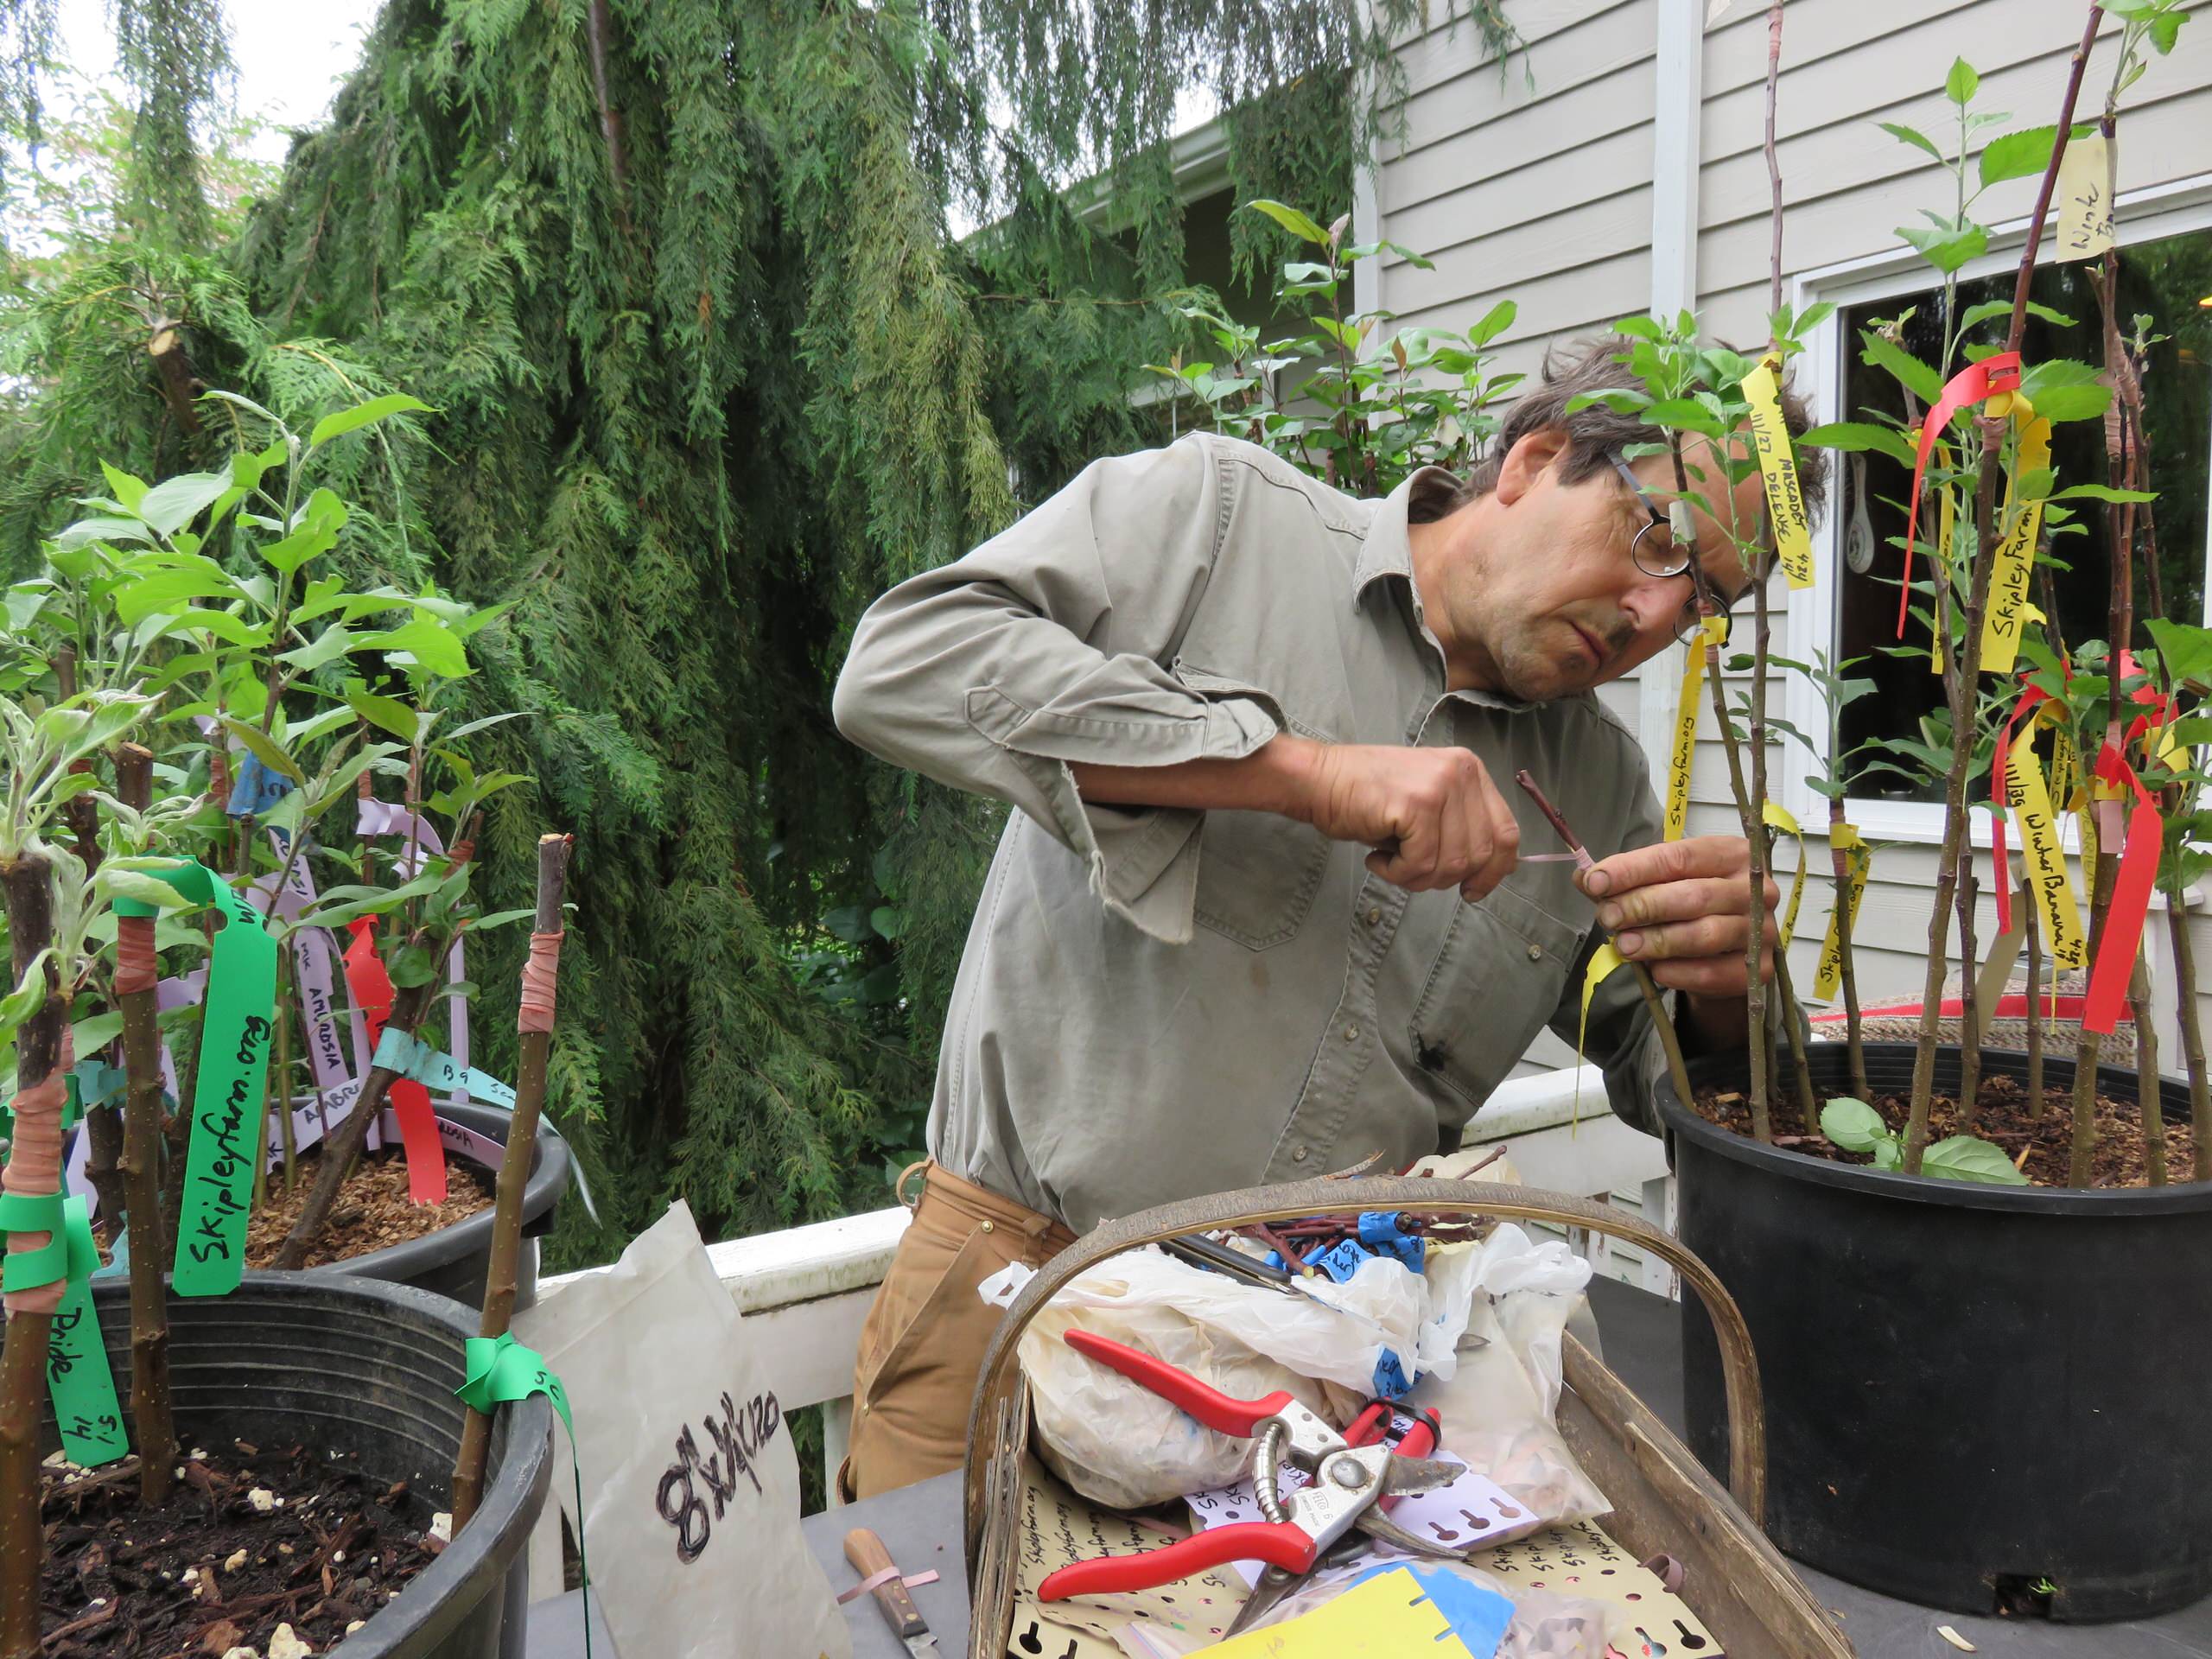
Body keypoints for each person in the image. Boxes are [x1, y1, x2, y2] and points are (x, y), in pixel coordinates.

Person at [828, 336, 1829, 1498]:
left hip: (1320, 1382)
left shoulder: (1597, 789)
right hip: (1017, 1307)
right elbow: (902, 665)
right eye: (1654, 535)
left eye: (1703, 598)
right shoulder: (1215, 526)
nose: (1654, 613)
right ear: (1538, 460)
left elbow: (1693, 1096)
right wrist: (1295, 773)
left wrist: (1724, 990)